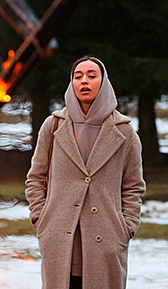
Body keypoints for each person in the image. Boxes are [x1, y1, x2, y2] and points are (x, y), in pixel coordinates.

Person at [25, 55, 144, 289]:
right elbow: (35, 179)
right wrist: (41, 219)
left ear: (104, 82)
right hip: (59, 239)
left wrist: (126, 226)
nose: (84, 81)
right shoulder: (54, 126)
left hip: (106, 241)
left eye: (92, 75)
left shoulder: (125, 132)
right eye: (78, 76)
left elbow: (133, 186)